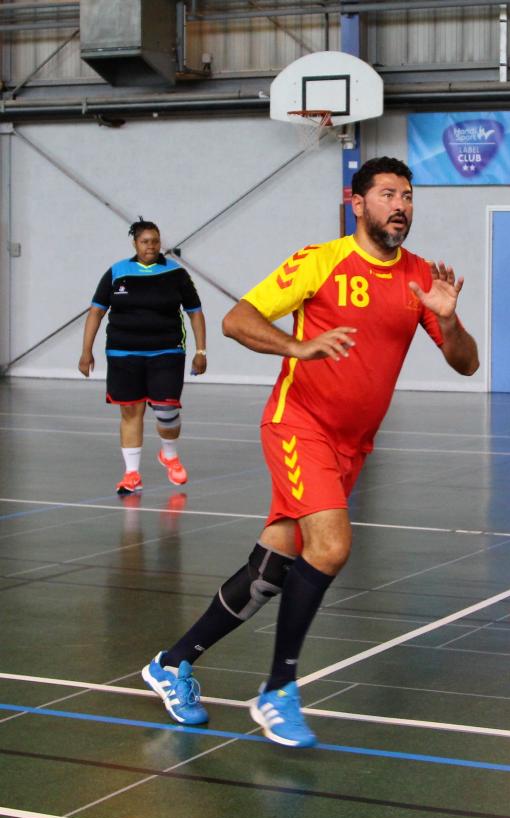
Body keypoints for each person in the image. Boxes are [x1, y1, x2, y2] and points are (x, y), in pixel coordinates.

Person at [141, 157, 479, 748]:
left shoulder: (420, 278)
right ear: (358, 203)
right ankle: (278, 690)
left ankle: (171, 664)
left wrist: (448, 322)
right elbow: (237, 320)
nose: (401, 205)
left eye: (407, 196)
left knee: (271, 568)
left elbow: (467, 363)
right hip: (299, 425)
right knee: (332, 546)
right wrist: (297, 346)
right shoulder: (319, 261)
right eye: (388, 194)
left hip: (352, 445)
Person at [79, 219, 208, 493]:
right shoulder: (117, 272)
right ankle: (131, 474)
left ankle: (169, 455)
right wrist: (86, 351)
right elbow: (96, 312)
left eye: (155, 241)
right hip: (123, 353)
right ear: (135, 244)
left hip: (166, 351)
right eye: (145, 241)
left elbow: (195, 313)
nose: (151, 246)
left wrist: (201, 351)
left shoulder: (176, 273)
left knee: (166, 409)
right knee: (131, 410)